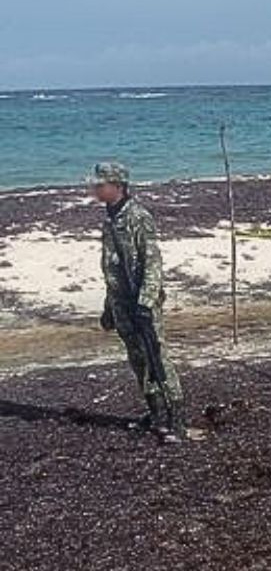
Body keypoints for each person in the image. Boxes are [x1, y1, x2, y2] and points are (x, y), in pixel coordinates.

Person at [88, 162, 187, 442]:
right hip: (121, 303)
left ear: (117, 186)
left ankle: (177, 421)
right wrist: (109, 308)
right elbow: (114, 267)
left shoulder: (137, 216)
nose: (95, 189)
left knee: (158, 360)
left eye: (100, 184)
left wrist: (145, 303)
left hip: (142, 303)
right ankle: (155, 414)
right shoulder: (111, 217)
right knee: (137, 360)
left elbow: (152, 263)